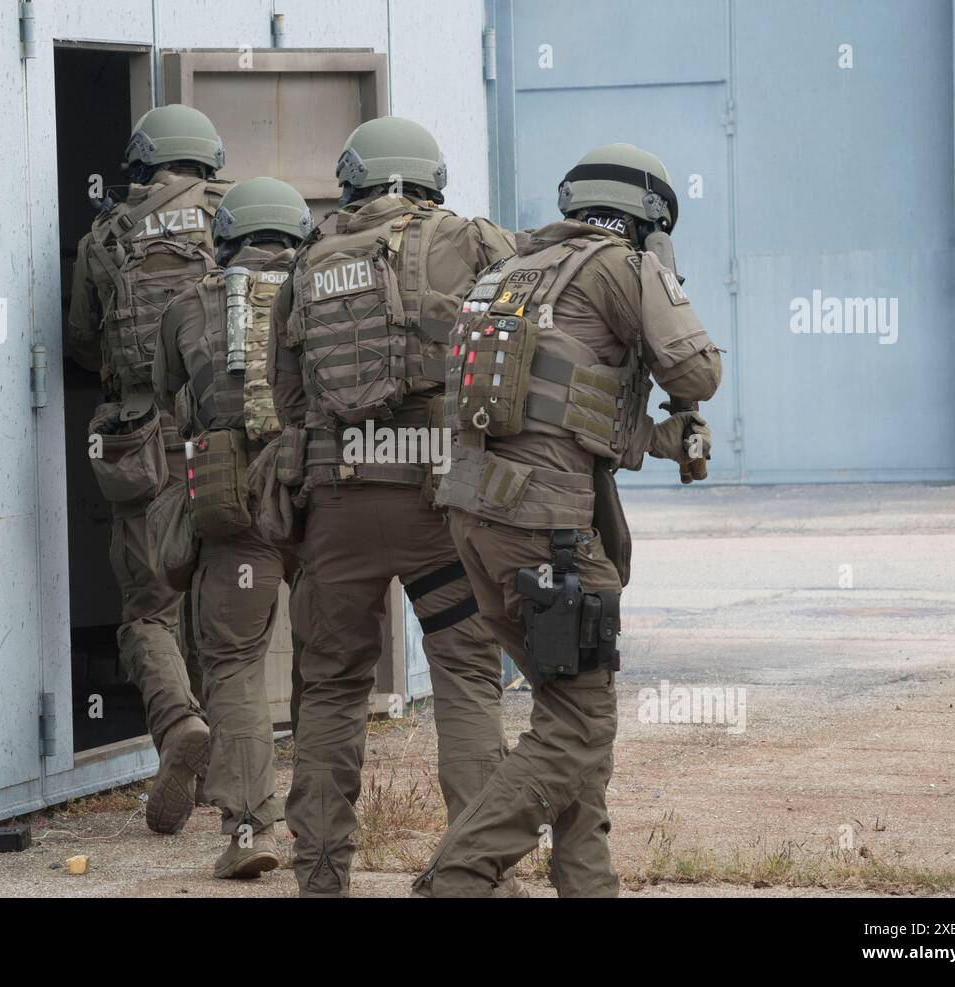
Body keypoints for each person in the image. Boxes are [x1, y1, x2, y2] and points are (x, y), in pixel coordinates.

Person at [412, 143, 723, 897]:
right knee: (579, 727)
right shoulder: (618, 267)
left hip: (479, 520)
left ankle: (590, 885)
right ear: (646, 218)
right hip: (545, 531)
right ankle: (454, 879)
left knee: (570, 715)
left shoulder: (511, 269)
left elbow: (561, 413)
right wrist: (663, 278)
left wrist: (656, 438)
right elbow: (698, 371)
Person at [268, 116, 518, 897]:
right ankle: (476, 876)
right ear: (431, 178)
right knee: (465, 679)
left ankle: (318, 876)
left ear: (353, 182)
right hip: (440, 509)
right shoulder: (475, 242)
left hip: (340, 512)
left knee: (334, 687)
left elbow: (286, 397)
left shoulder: (309, 260)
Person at [66, 104, 230, 834]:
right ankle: (235, 777)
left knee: (148, 610)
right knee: (231, 603)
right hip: (225, 432)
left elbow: (76, 341)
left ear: (139, 165)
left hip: (141, 441)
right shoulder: (232, 218)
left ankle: (177, 726)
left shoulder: (105, 236)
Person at [152, 176, 312, 877]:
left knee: (236, 662)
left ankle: (251, 827)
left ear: (225, 242)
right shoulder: (327, 290)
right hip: (320, 492)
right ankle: (330, 821)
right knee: (332, 660)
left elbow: (165, 392)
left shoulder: (191, 304)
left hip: (235, 503)